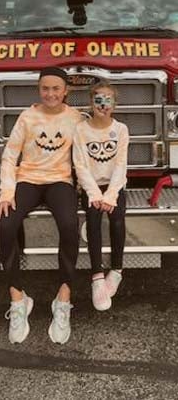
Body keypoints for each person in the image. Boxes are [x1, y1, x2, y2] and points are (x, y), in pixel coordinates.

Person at [0, 66, 84, 345]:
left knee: (70, 225)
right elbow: (10, 156)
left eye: (56, 88)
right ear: (39, 89)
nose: (50, 94)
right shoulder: (28, 117)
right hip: (28, 180)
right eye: (45, 88)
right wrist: (6, 193)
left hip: (60, 181)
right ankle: (19, 298)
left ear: (65, 91)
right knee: (5, 224)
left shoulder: (76, 119)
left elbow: (88, 152)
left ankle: (63, 298)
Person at [73, 82, 128, 311]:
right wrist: (94, 193)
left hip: (114, 187)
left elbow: (121, 164)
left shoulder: (121, 129)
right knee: (93, 221)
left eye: (108, 100)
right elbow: (80, 165)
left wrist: (111, 195)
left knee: (117, 220)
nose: (103, 105)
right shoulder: (81, 130)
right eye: (98, 100)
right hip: (91, 187)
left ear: (114, 104)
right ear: (91, 102)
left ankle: (116, 271)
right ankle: (97, 276)